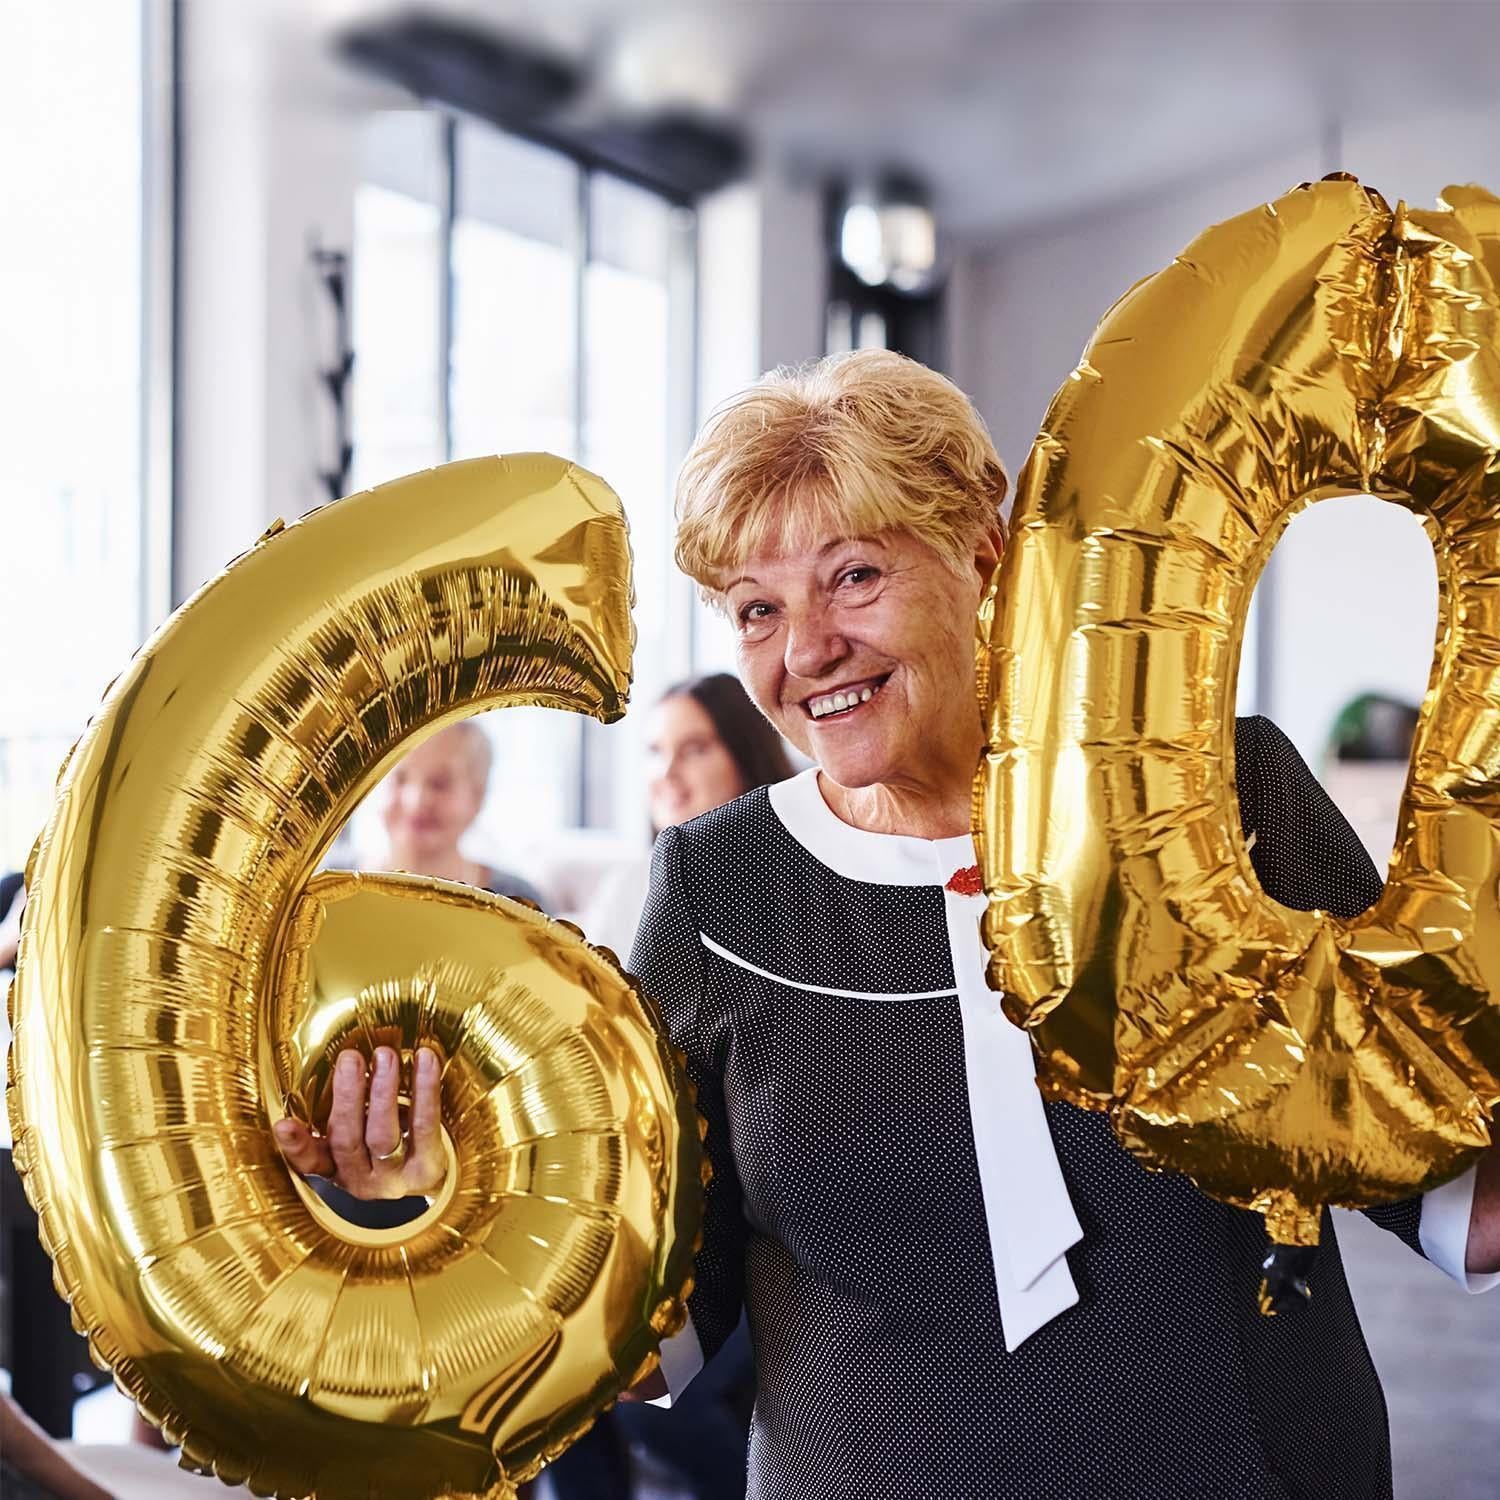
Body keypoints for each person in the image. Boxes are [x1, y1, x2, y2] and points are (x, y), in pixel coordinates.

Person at [277, 351, 1499, 1499]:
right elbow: (657, 1331)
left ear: (985, 549)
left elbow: (1455, 1191)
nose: (807, 651)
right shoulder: (715, 891)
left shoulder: (1222, 796)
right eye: (755, 611)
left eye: (855, 576)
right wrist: (439, 1199)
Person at [578, 673, 796, 958]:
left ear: (746, 757)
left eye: (694, 750)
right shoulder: (629, 886)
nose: (666, 772)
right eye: (655, 751)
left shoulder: (795, 883)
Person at [374, 719, 542, 905]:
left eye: (439, 783)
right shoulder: (338, 882)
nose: (416, 801)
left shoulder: (520, 903)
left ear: (477, 796)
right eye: (400, 778)